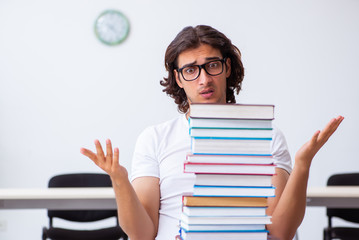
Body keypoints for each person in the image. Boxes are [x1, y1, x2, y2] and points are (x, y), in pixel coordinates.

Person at [80, 25, 344, 240]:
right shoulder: (155, 138)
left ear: (227, 68)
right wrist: (119, 179)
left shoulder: (268, 136)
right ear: (179, 79)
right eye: (191, 70)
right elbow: (142, 234)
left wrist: (303, 164)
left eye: (212, 65)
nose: (204, 79)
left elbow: (281, 233)